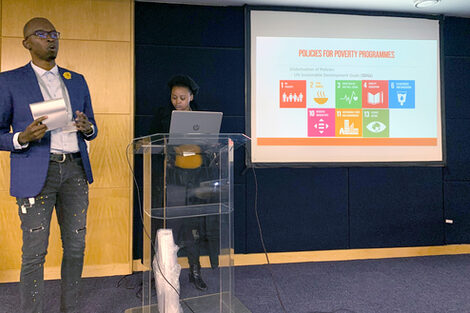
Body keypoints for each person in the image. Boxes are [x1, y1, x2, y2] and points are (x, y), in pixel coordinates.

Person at [0, 17, 98, 313]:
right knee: (34, 253)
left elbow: (93, 126)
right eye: (41, 34)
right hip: (35, 173)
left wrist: (87, 127)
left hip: (75, 171)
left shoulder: (76, 79)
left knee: (76, 248)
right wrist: (22, 137)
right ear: (27, 43)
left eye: (54, 33)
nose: (50, 38)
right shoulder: (9, 81)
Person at [149, 75, 219, 291]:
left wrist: (211, 147)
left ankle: (194, 271)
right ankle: (161, 272)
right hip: (172, 178)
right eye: (173, 97)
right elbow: (152, 141)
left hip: (197, 178)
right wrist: (167, 144)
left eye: (181, 97)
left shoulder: (203, 117)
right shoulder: (163, 116)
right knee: (169, 226)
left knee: (193, 227)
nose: (177, 102)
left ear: (191, 96)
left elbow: (210, 146)